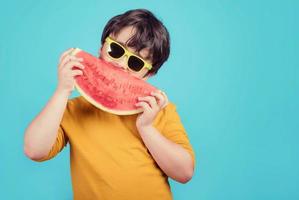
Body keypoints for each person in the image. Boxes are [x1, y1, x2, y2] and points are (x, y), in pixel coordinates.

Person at [24, 9, 195, 200]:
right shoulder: (73, 110)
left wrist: (146, 128)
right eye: (116, 50)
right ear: (101, 47)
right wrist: (62, 91)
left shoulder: (161, 111)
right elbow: (34, 150)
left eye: (136, 63)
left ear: (148, 75)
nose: (121, 64)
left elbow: (184, 172)